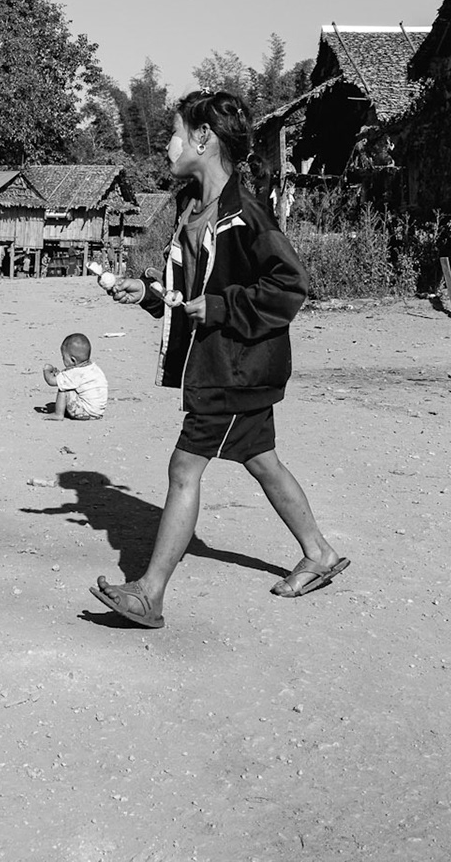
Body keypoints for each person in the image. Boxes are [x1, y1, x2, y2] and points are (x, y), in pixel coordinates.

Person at [89, 91, 345, 629]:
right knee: (261, 458)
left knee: (185, 467)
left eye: (175, 133)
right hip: (225, 364)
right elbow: (188, 297)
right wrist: (148, 294)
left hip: (235, 366)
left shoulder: (246, 215)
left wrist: (224, 305)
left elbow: (290, 285)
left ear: (203, 139)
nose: (167, 144)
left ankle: (150, 593)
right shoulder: (193, 211)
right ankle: (319, 552)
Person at [39, 332, 108, 420]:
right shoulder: (94, 368)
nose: (62, 359)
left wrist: (46, 370)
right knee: (67, 384)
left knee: (63, 388)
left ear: (72, 360)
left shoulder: (74, 373)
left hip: (83, 411)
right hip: (98, 411)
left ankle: (58, 414)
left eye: (63, 357)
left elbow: (51, 381)